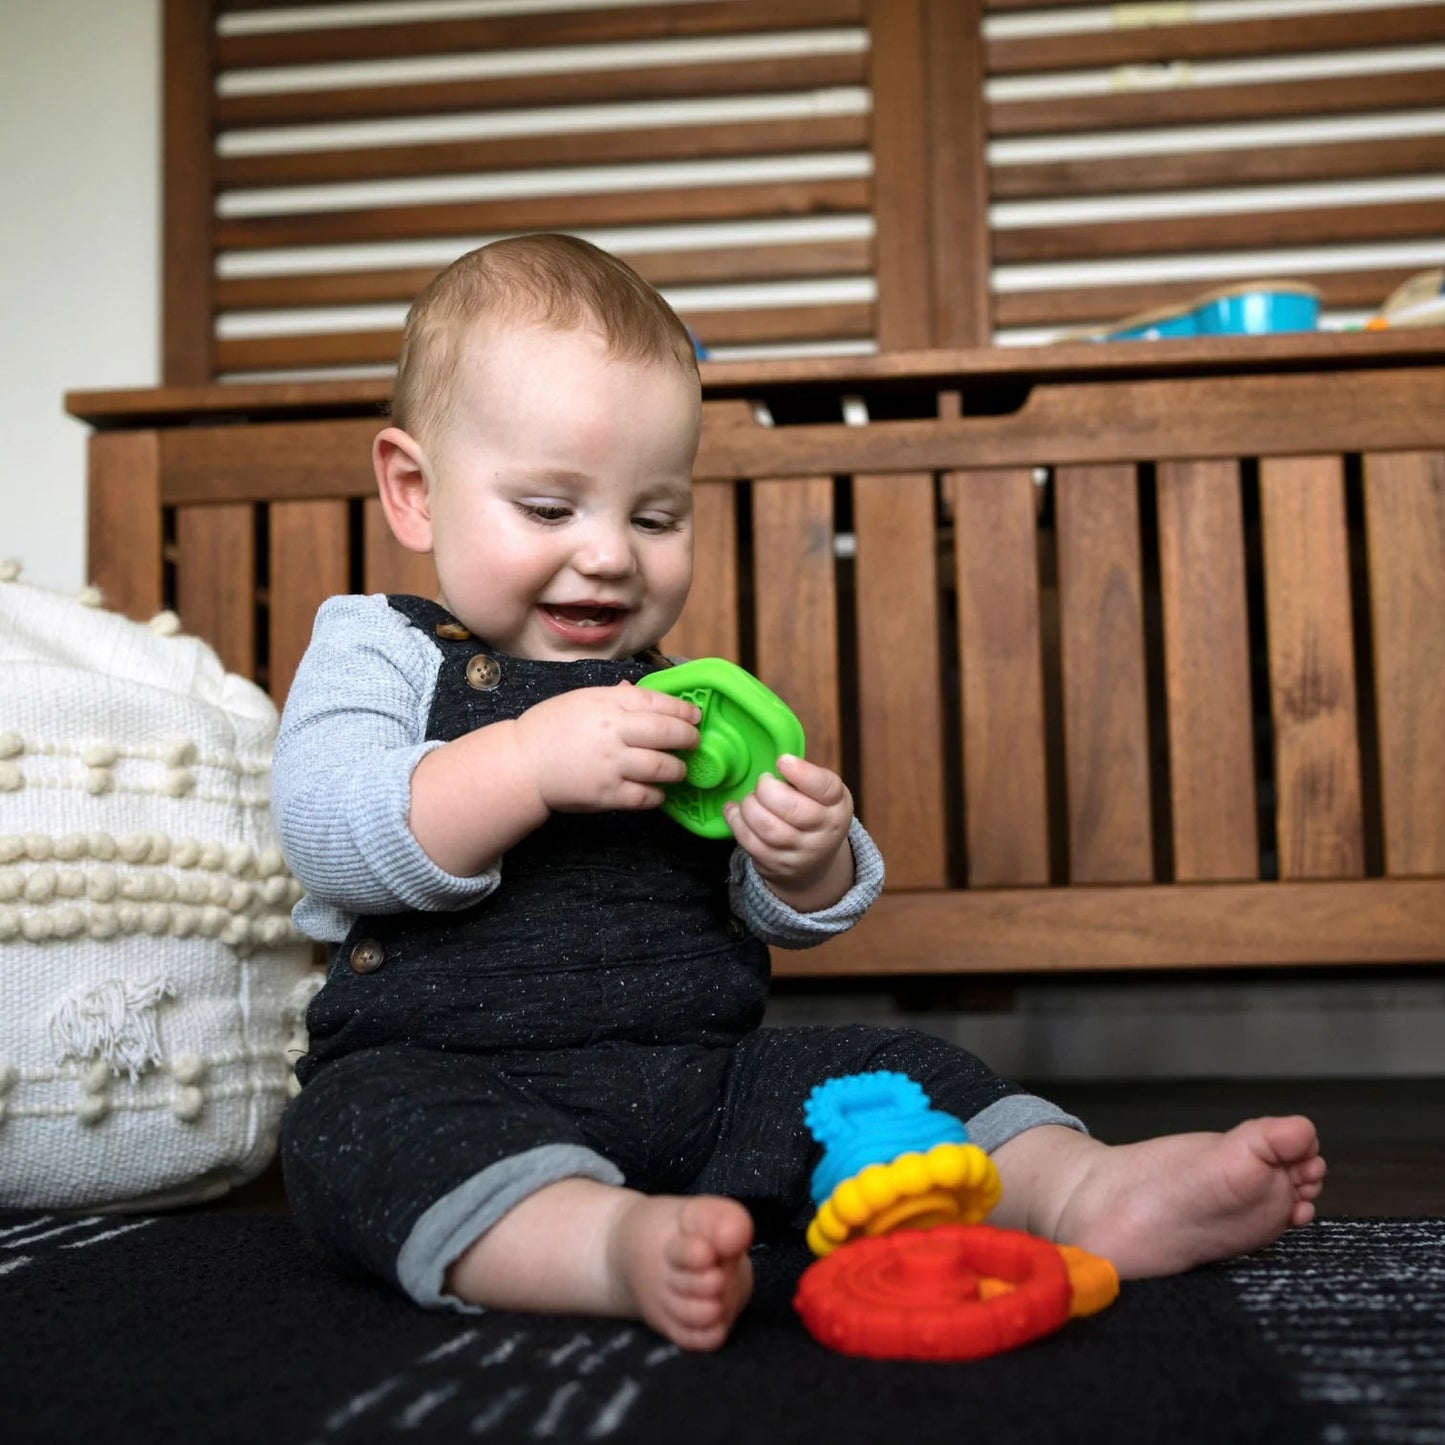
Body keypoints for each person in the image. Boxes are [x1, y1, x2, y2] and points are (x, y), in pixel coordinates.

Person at [273, 233, 1326, 1352]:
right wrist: (525, 763)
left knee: (881, 1074)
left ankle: (1078, 1188)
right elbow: (330, 829)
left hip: (706, 1086)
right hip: (449, 1076)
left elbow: (780, 916)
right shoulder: (377, 649)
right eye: (547, 509)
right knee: (351, 1136)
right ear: (414, 491)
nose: (608, 556)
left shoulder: (680, 696)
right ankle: (605, 1244)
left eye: (654, 516)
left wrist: (802, 852)